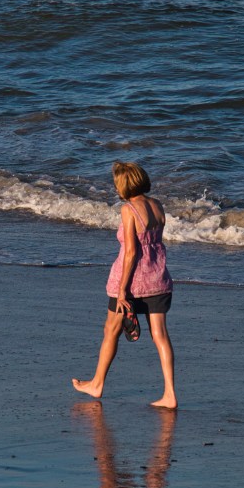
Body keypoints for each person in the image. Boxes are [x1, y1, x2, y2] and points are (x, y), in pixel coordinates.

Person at [72, 162, 176, 409]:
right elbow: (153, 243)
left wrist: (122, 290)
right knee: (160, 335)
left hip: (132, 280)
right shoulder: (157, 205)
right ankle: (170, 394)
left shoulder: (129, 209)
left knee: (111, 329)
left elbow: (131, 252)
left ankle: (97, 383)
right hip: (158, 277)